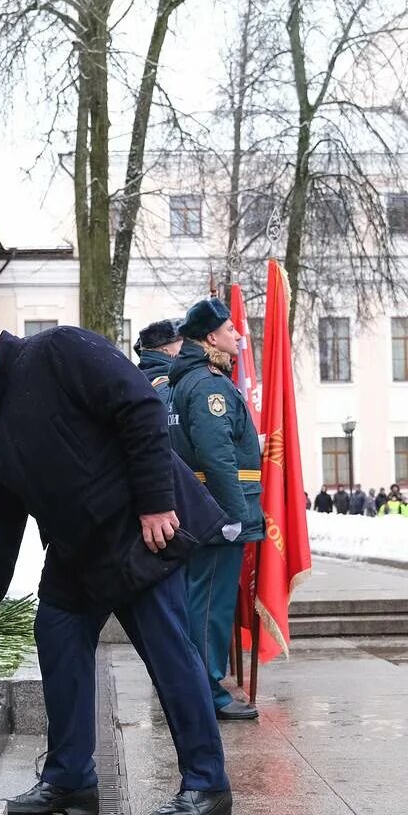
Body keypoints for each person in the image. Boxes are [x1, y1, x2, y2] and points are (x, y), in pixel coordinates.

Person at [0, 316, 233, 815]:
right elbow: (0, 513)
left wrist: (156, 503)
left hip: (139, 533)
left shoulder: (60, 350)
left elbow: (141, 409)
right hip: (74, 553)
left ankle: (206, 784)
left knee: (169, 655)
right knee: (58, 637)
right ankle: (70, 780)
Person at [168, 298, 264, 721]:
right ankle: (204, 689)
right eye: (229, 330)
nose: (238, 335)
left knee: (201, 599)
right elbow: (217, 453)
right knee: (210, 604)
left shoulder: (190, 379)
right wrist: (232, 514)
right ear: (211, 338)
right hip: (216, 513)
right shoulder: (208, 384)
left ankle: (197, 684)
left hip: (203, 509)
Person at [135, 318, 183, 404]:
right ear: (166, 349)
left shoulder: (137, 378)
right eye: (182, 344)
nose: (187, 349)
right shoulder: (168, 385)